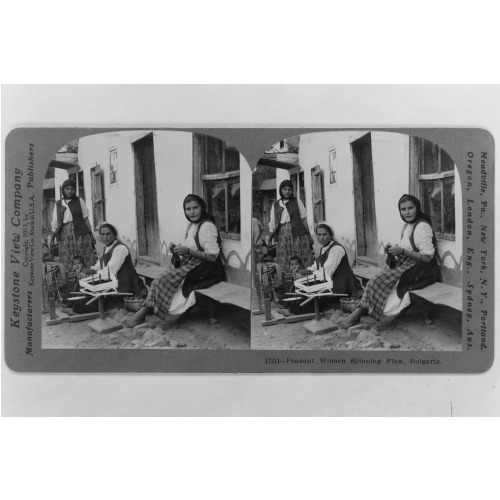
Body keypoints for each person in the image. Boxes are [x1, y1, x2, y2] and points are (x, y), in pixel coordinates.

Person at [338, 194, 441, 329]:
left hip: (424, 269)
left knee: (379, 280)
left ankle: (357, 314)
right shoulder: (408, 225)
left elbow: (428, 257)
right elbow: (406, 248)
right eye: (403, 209)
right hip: (409, 264)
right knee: (376, 280)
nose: (407, 212)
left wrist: (402, 252)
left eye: (411, 208)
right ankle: (360, 311)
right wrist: (393, 251)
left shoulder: (422, 227)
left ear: (418, 208)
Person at [123, 194, 225, 328]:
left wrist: (187, 251)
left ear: (202, 208)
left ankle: (142, 313)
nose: (192, 212)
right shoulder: (192, 225)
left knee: (163, 280)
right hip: (193, 264)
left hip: (208, 269)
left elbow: (213, 257)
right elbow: (192, 248)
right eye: (188, 209)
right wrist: (178, 250)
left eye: (195, 208)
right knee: (161, 279)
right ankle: (147, 309)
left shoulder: (206, 226)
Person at [51, 179, 96, 272]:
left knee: (83, 253)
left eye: (72, 189)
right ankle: (71, 278)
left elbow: (86, 219)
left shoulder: (80, 201)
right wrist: (52, 238)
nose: (70, 191)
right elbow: (55, 221)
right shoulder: (58, 204)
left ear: (75, 190)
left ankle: (86, 275)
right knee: (67, 256)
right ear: (63, 190)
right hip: (65, 234)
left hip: (81, 233)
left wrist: (91, 235)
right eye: (67, 189)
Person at [91, 223, 146, 298]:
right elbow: (98, 266)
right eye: (102, 234)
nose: (105, 237)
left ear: (114, 235)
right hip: (114, 283)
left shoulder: (120, 248)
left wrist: (93, 273)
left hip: (126, 286)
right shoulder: (106, 249)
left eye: (108, 234)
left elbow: (109, 273)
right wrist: (88, 272)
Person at [269, 179, 314, 271]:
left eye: (289, 189)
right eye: (284, 189)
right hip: (283, 235)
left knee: (301, 254)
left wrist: (309, 235)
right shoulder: (276, 204)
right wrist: (271, 238)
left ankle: (304, 276)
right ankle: (288, 280)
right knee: (285, 257)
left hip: (298, 234)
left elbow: (304, 219)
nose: (287, 192)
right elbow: (273, 223)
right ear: (280, 190)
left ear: (292, 190)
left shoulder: (297, 201)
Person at [307, 223, 358, 296]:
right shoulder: (323, 249)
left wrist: (308, 275)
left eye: (324, 234)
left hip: (341, 287)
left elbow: (326, 273)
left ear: (331, 235)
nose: (321, 238)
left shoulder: (336, 249)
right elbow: (315, 267)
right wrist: (304, 272)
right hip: (330, 284)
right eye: (319, 235)